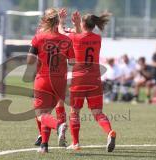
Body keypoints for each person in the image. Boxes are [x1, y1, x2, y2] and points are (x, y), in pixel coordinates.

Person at [60, 11, 116, 152]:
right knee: (98, 112)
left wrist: (61, 21)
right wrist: (77, 26)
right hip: (95, 78)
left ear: (82, 24)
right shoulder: (98, 38)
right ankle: (109, 132)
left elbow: (62, 32)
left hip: (79, 79)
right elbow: (80, 34)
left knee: (75, 112)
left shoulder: (74, 37)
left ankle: (76, 143)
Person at [27, 8, 75, 153]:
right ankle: (44, 146)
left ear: (46, 21)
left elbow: (29, 60)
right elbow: (72, 62)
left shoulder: (38, 38)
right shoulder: (66, 40)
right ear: (57, 22)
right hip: (59, 82)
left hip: (43, 79)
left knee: (41, 115)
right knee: (46, 112)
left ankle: (59, 125)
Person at [33, 8, 68, 147]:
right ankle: (45, 141)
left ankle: (53, 132)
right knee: (54, 107)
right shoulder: (61, 33)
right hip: (59, 77)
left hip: (43, 76)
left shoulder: (40, 34)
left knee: (41, 112)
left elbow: (33, 58)